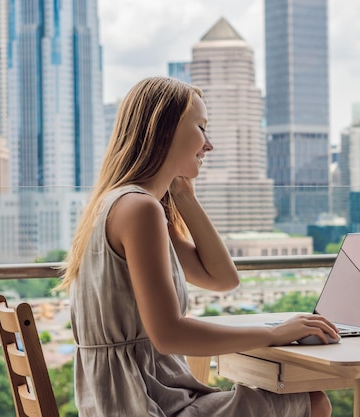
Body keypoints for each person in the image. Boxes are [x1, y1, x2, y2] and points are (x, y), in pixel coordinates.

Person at [59, 76, 339, 417]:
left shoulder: (129, 205)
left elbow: (222, 279)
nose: (209, 145)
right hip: (144, 405)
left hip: (123, 400)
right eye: (201, 128)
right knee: (313, 401)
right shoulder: (139, 209)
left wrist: (183, 196)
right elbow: (169, 335)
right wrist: (276, 334)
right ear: (164, 130)